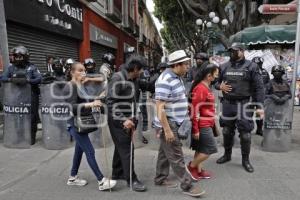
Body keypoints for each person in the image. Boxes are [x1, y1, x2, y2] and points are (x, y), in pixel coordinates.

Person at [155, 50, 205, 197]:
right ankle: (187, 185)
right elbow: (159, 107)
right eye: (186, 64)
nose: (188, 67)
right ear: (177, 65)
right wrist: (167, 129)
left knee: (165, 152)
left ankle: (160, 178)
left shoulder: (176, 76)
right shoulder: (166, 80)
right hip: (168, 123)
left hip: (175, 120)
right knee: (176, 155)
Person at [63, 62, 116, 191]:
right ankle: (101, 181)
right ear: (72, 72)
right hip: (74, 124)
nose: (83, 73)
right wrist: (92, 104)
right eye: (80, 70)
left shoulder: (81, 85)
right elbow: (72, 107)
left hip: (81, 124)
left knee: (79, 151)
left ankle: (72, 177)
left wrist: (97, 99)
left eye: (84, 70)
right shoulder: (70, 87)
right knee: (90, 151)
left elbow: (86, 101)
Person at [215, 42, 265, 173]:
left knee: (245, 135)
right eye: (231, 51)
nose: (232, 53)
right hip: (228, 103)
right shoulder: (224, 66)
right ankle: (227, 155)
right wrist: (219, 86)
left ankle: (245, 160)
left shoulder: (252, 66)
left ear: (242, 51)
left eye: (235, 51)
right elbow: (214, 81)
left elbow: (259, 87)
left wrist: (260, 106)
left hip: (244, 104)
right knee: (226, 131)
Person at [106, 55, 147, 192]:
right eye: (141, 70)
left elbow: (146, 85)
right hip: (118, 120)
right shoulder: (118, 78)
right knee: (128, 149)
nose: (142, 72)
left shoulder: (133, 78)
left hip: (128, 119)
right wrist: (124, 119)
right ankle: (132, 179)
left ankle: (117, 172)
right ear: (135, 68)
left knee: (121, 147)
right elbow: (110, 103)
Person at [1, 45, 42, 145]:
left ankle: (31, 136)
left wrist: (28, 81)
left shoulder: (32, 67)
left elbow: (39, 78)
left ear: (26, 57)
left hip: (31, 97)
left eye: (21, 56)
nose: (19, 59)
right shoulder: (11, 68)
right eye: (17, 56)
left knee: (31, 117)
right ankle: (19, 136)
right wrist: (11, 80)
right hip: (16, 97)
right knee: (17, 117)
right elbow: (3, 78)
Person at [186, 64, 219, 180]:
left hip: (208, 123)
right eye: (215, 75)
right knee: (210, 149)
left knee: (200, 149)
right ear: (209, 76)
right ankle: (191, 167)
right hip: (203, 125)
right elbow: (195, 110)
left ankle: (198, 171)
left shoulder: (205, 87)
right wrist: (195, 129)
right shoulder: (201, 88)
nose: (216, 77)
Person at [252, 57, 270, 136]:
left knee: (260, 113)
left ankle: (259, 129)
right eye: (257, 64)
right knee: (248, 113)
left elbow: (268, 83)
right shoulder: (249, 71)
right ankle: (246, 130)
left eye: (260, 64)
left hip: (261, 96)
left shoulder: (265, 72)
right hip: (251, 95)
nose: (258, 65)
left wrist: (266, 93)